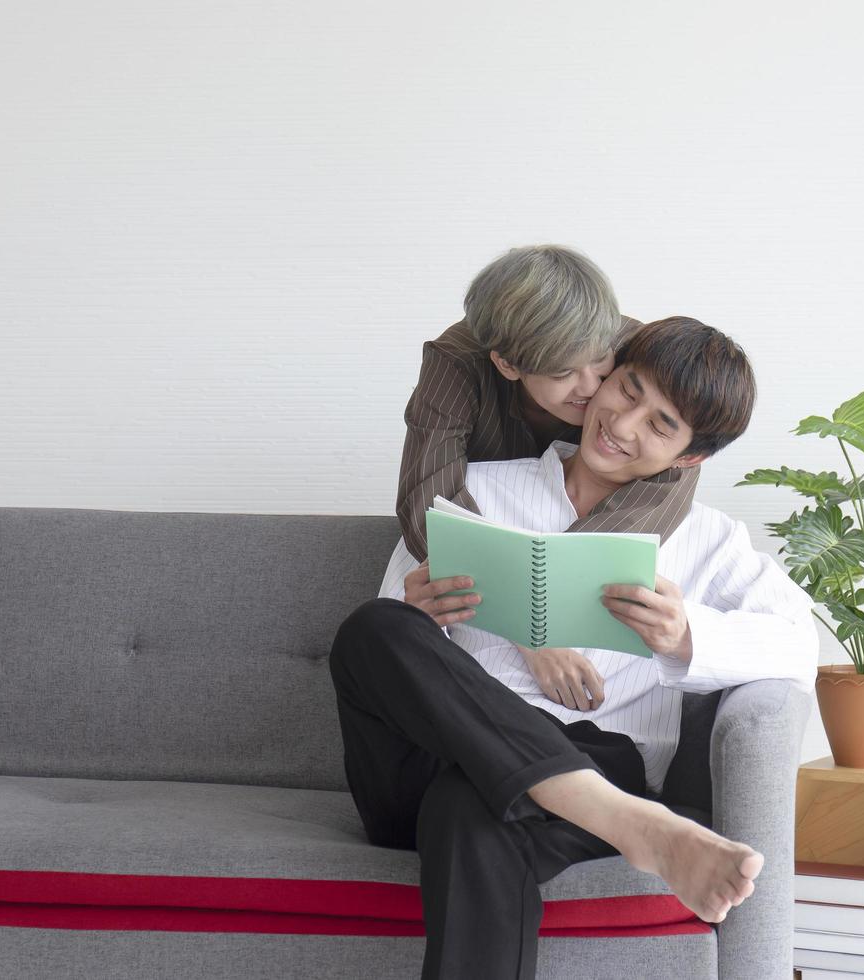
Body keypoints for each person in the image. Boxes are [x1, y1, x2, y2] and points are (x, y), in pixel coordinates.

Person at [332, 317, 818, 980]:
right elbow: (394, 642)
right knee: (374, 628)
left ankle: (588, 798)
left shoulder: (707, 540)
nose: (622, 423)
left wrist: (686, 633)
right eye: (629, 389)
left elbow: (800, 642)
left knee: (472, 805)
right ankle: (630, 823)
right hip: (427, 759)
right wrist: (422, 613)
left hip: (592, 752)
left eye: (661, 424)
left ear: (689, 458)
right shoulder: (477, 490)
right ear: (606, 375)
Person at [397, 244, 701, 710]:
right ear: (506, 364)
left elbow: (672, 471)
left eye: (600, 360)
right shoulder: (456, 362)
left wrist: (555, 596)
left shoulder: (634, 345)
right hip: (487, 573)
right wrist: (529, 630)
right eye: (563, 373)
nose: (593, 387)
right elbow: (430, 505)